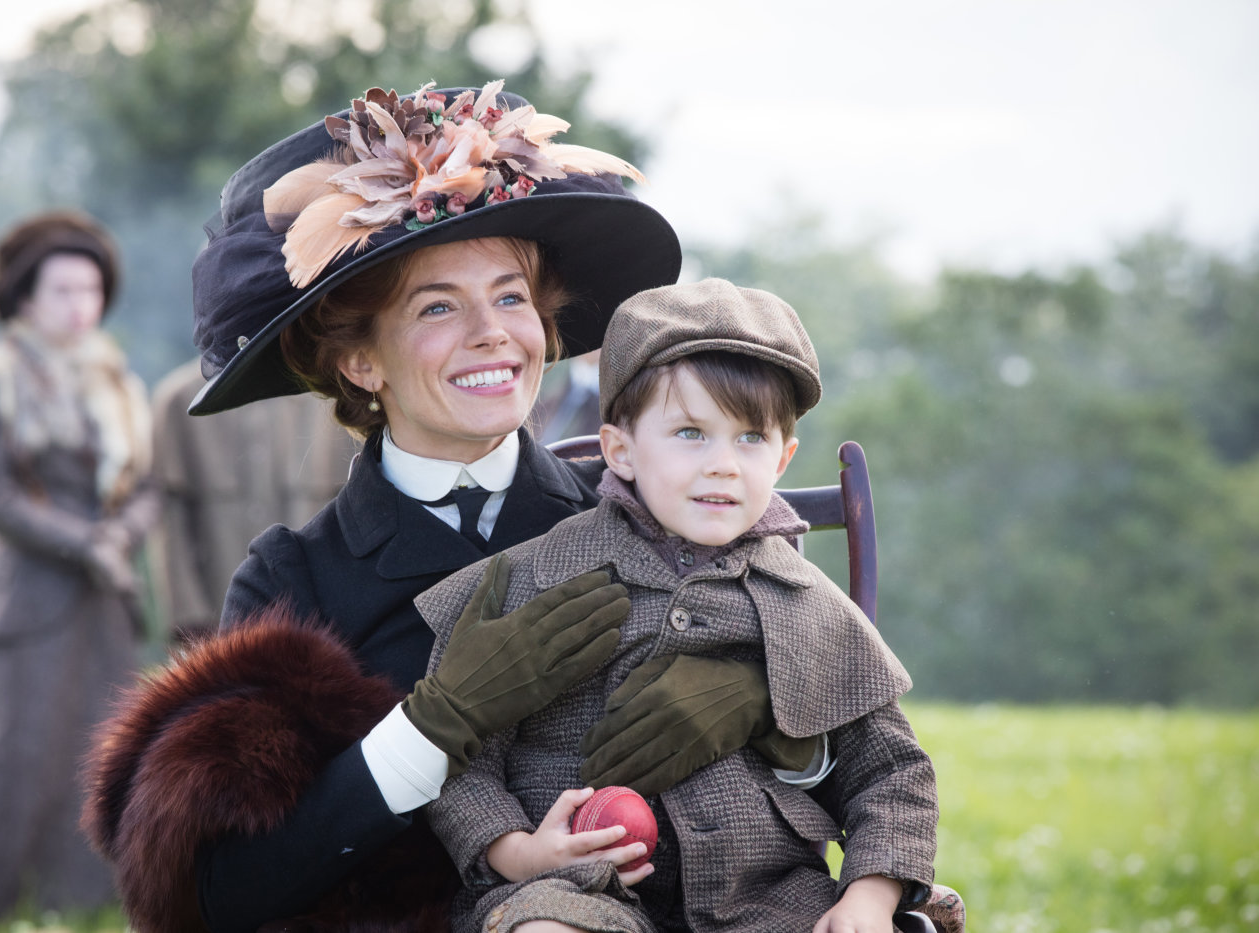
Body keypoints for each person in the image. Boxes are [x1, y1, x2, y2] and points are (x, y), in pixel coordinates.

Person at [83, 82, 816, 933]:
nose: (492, 332)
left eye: (510, 296)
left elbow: (849, 754)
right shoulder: (297, 577)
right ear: (360, 361)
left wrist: (774, 710)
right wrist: (431, 728)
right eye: (438, 305)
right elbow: (216, 897)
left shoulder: (652, 511)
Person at [419, 278, 939, 933]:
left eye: (750, 438)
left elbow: (890, 771)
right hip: (571, 888)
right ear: (620, 450)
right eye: (691, 432)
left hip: (763, 899)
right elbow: (458, 755)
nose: (723, 464)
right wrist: (518, 852)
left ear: (783, 457)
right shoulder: (537, 575)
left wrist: (869, 894)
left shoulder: (807, 603)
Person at [0, 210, 158, 928]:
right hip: (20, 596)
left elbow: (148, 487)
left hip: (101, 600)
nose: (81, 306)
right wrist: (87, 541)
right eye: (63, 291)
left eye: (91, 290)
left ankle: (76, 905)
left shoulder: (117, 380)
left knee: (96, 755)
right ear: (24, 298)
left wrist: (119, 536)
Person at [147, 358, 356, 645]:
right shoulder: (179, 401)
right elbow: (171, 523)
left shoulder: (334, 399)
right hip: (218, 625)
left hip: (320, 625)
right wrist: (189, 618)